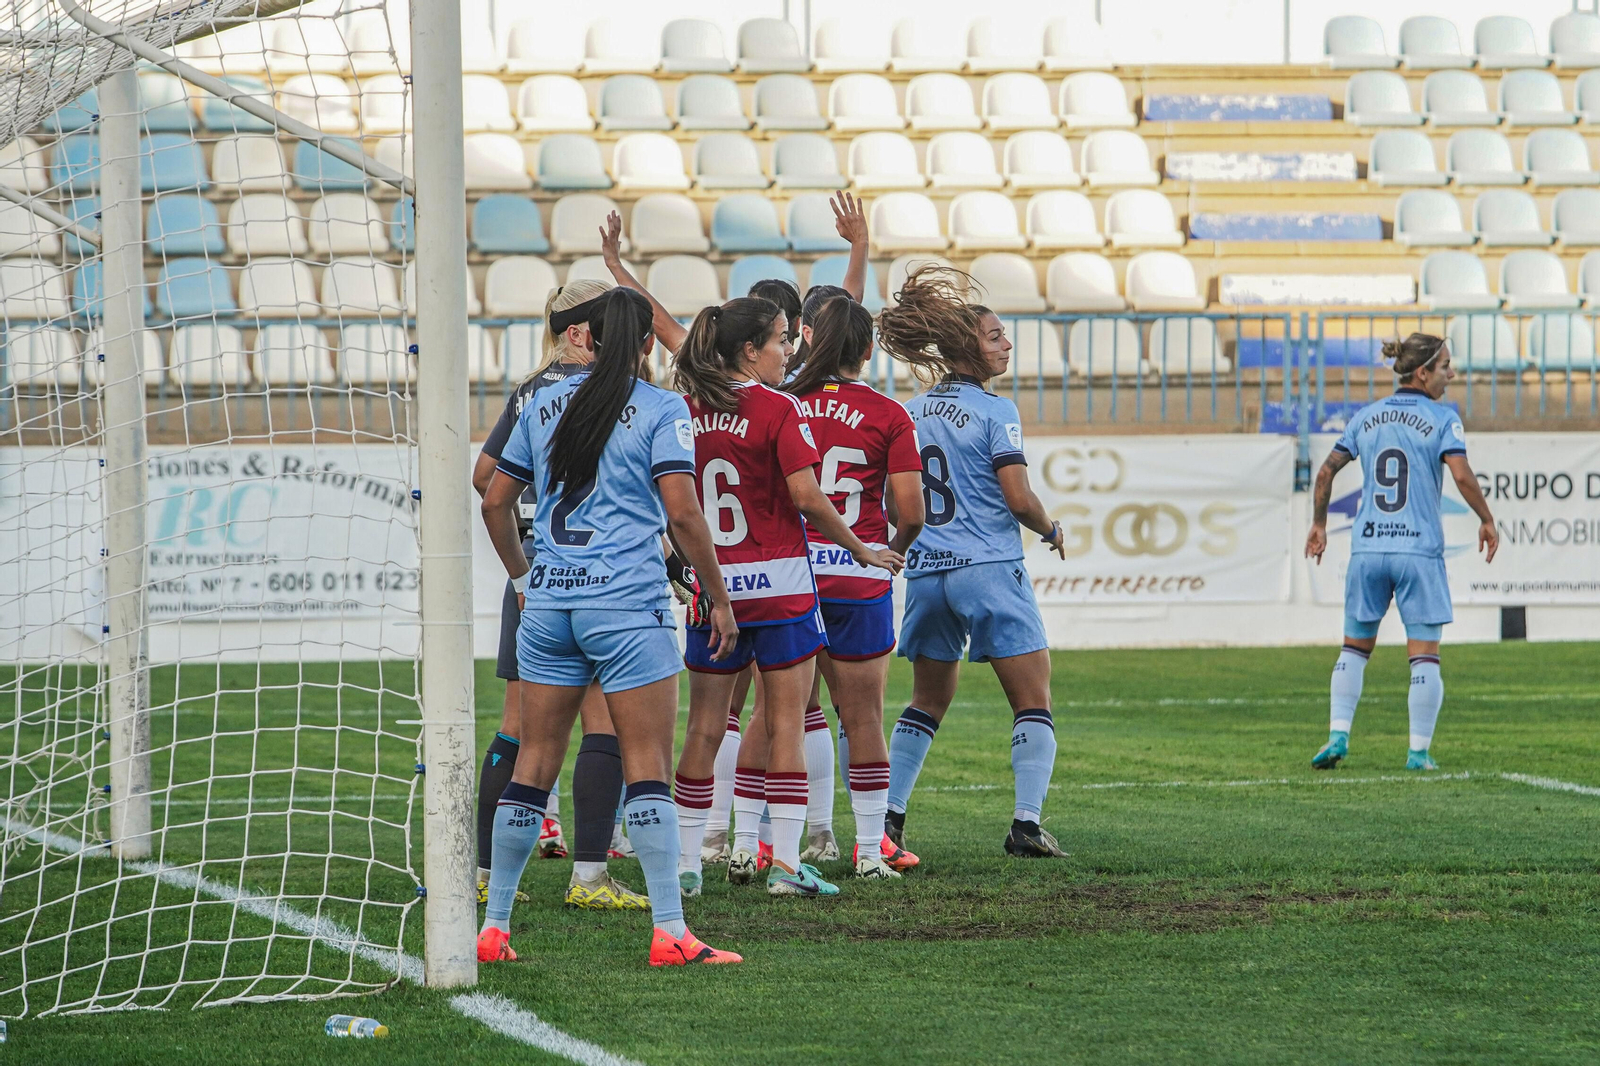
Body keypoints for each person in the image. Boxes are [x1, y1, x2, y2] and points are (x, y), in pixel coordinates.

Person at [477, 286, 742, 966]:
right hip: (627, 606)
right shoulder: (660, 407)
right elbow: (683, 516)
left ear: (585, 339)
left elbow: (495, 501)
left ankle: (495, 926)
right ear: (646, 342)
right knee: (646, 764)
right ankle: (672, 933)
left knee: (533, 765)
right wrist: (717, 596)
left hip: (554, 603)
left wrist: (523, 579)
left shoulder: (538, 402)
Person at [669, 295, 905, 899]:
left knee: (703, 727)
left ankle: (687, 865)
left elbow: (673, 506)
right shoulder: (778, 407)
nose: (789, 350)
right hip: (780, 588)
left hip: (714, 590)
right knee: (786, 725)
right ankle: (784, 867)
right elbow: (805, 497)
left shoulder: (682, 408)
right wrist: (860, 549)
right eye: (780, 339)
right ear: (750, 350)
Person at [875, 266, 1069, 859]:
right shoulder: (995, 410)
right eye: (995, 336)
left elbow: (892, 501)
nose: (1006, 343)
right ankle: (1026, 826)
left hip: (929, 573)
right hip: (988, 569)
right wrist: (1050, 527)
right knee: (1032, 701)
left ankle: (889, 819)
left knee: (925, 701)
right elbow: (1018, 497)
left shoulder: (908, 412)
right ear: (968, 349)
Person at [470, 279, 647, 912]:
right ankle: (591, 878)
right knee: (606, 726)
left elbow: (485, 479)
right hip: (606, 583)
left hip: (540, 579)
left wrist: (522, 567)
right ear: (578, 332)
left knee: (517, 729)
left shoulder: (530, 393)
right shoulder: (627, 395)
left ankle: (487, 874)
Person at [1305, 333, 1498, 771]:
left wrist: (1319, 524)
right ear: (1423, 371)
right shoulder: (1442, 418)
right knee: (1424, 655)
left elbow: (1325, 472)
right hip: (1417, 552)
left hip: (1369, 548)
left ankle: (1337, 735)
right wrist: (1486, 518)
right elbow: (1463, 476)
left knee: (1353, 650)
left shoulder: (1367, 416)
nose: (1451, 374)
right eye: (1445, 366)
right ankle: (1417, 753)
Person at [787, 295, 926, 877]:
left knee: (783, 715)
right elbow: (913, 511)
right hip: (860, 574)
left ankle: (768, 847)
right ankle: (871, 851)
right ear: (869, 350)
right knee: (864, 716)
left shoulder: (784, 403)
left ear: (809, 340)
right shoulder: (890, 414)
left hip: (790, 573)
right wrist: (888, 549)